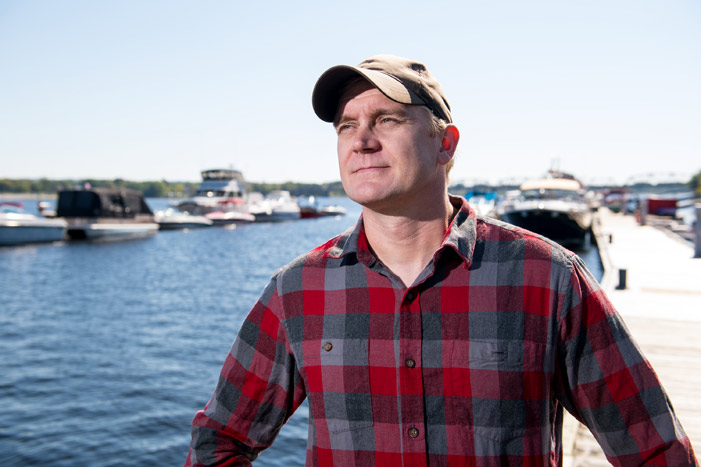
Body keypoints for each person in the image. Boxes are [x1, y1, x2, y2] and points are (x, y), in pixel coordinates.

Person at [185, 55, 697, 466]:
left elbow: (655, 449)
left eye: (386, 119)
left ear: (445, 144)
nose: (362, 140)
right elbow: (219, 442)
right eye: (347, 126)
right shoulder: (297, 292)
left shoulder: (548, 279)